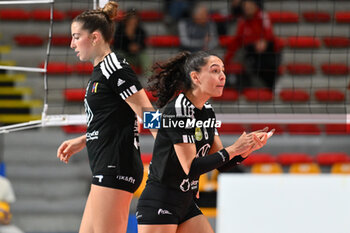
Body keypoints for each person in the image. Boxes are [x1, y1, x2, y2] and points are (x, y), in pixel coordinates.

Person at [136, 51, 272, 233]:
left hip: (186, 202)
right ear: (196, 77)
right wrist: (233, 149)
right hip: (162, 200)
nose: (223, 76)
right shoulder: (179, 110)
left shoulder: (207, 110)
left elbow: (221, 162)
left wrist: (245, 150)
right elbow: (191, 167)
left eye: (223, 70)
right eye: (215, 71)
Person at [56, 2, 156, 233]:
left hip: (117, 163)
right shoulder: (100, 70)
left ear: (95, 37)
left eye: (76, 36)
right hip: (106, 162)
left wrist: (173, 156)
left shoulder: (115, 68)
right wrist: (84, 139)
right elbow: (112, 117)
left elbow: (148, 113)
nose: (71, 44)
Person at [224, 0, 280, 90]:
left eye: (250, 6)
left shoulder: (263, 16)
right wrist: (226, 61)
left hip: (267, 53)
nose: (247, 8)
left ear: (255, 6)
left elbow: (269, 36)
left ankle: (269, 88)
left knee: (269, 65)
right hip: (251, 53)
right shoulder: (242, 22)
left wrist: (264, 41)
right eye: (245, 7)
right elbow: (236, 42)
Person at [113, 9, 151, 78]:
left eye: (135, 19)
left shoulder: (140, 30)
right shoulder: (120, 29)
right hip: (123, 55)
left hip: (135, 57)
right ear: (126, 20)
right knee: (118, 55)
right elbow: (116, 45)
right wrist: (128, 46)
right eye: (131, 18)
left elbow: (143, 45)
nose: (133, 21)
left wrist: (137, 46)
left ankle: (149, 78)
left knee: (144, 56)